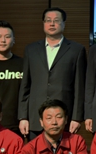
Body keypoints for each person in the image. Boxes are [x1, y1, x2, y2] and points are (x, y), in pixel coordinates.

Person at [19, 8, 87, 138]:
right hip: (35, 118)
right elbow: (25, 85)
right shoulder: (31, 49)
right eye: (48, 20)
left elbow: (79, 87)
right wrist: (23, 117)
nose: (52, 24)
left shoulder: (76, 50)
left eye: (56, 20)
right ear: (43, 23)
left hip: (64, 118)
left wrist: (77, 117)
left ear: (64, 23)